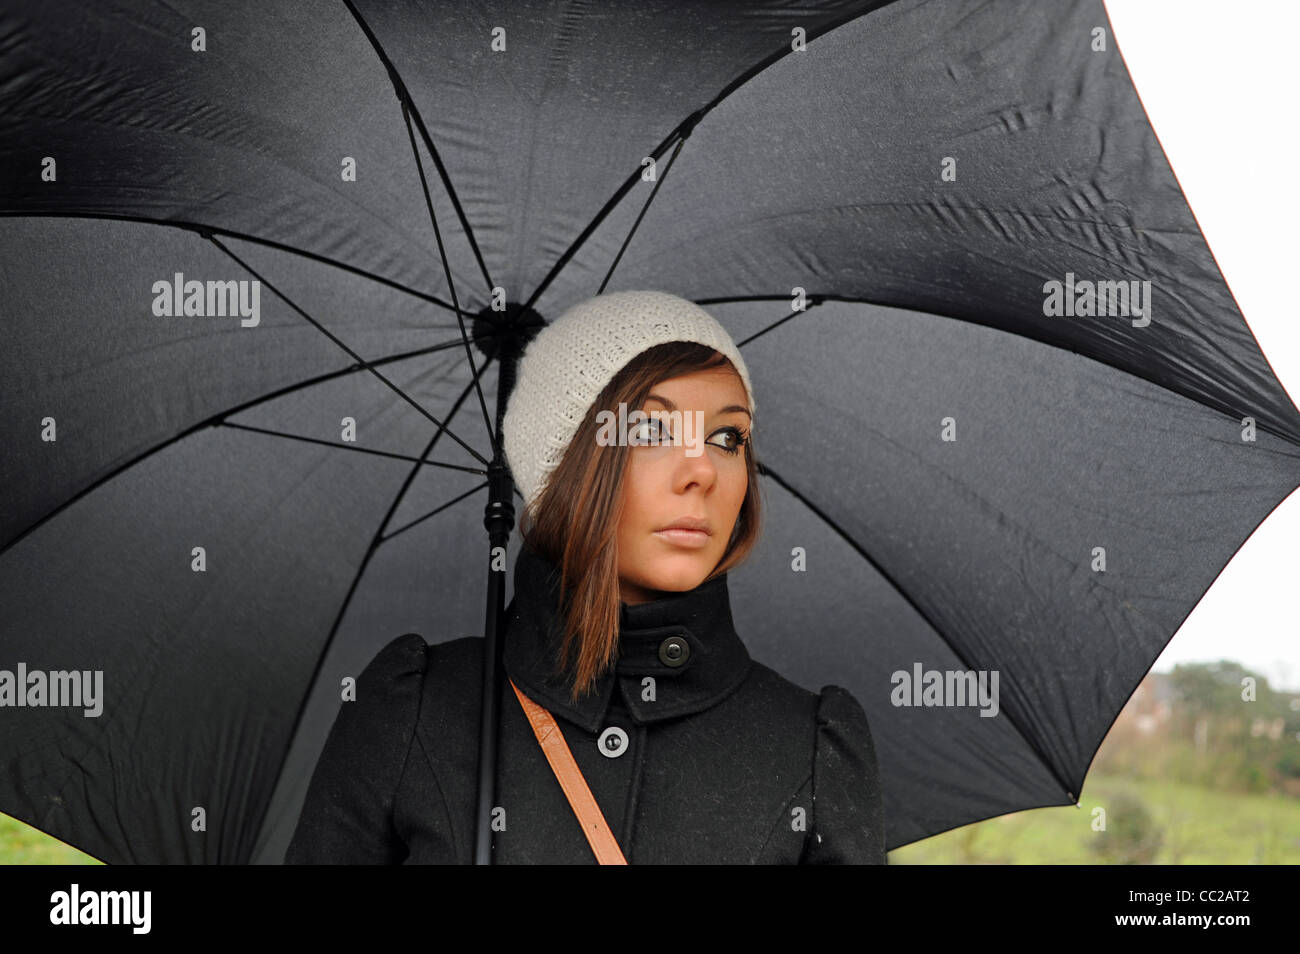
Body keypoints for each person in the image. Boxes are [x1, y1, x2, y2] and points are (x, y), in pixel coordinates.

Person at [285, 289, 886, 864]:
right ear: (561, 468)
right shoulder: (413, 709)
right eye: (650, 429)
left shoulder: (809, 746)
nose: (702, 470)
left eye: (728, 437)